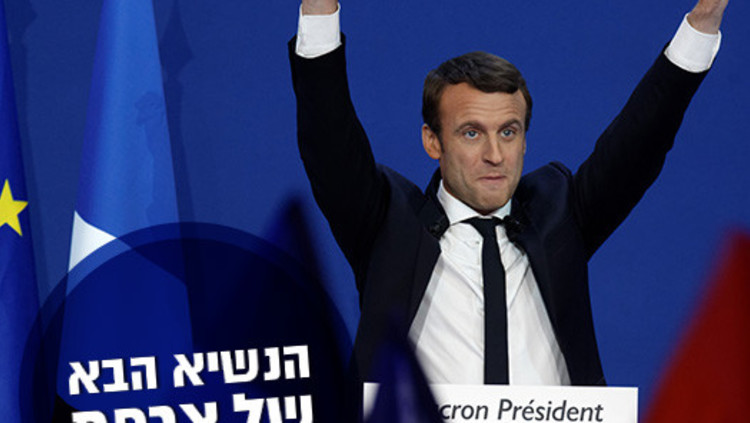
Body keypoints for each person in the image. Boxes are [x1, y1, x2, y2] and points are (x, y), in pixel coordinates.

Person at [289, 0, 728, 386]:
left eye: (508, 132)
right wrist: (319, 9)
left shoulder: (561, 216)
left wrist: (704, 18)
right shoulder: (388, 223)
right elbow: (329, 136)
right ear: (432, 141)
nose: (495, 155)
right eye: (471, 133)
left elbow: (640, 139)